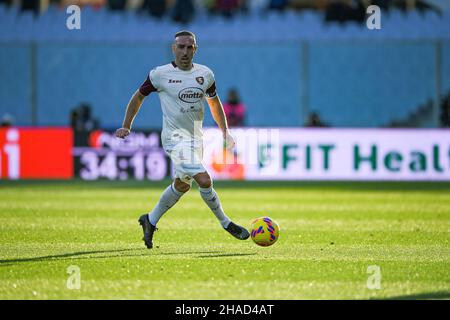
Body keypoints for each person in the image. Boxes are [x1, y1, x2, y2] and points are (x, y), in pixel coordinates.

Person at [115, 30, 250, 249]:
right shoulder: (159, 74)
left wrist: (225, 131)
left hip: (196, 137)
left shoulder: (205, 75)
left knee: (181, 185)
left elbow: (214, 104)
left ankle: (149, 220)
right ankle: (226, 223)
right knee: (204, 180)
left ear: (195, 49)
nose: (185, 52)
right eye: (181, 47)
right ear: (173, 48)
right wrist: (126, 125)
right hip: (174, 138)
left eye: (190, 47)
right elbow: (138, 97)